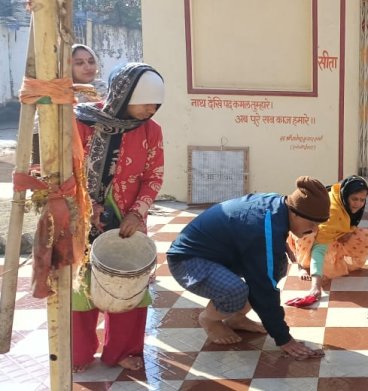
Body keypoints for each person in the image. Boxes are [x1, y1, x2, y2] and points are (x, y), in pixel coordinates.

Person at [166, 177, 331, 360]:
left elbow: (258, 233)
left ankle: (235, 318)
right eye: (311, 224)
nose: (314, 230)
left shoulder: (280, 205)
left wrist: (277, 244)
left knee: (277, 266)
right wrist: (284, 338)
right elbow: (264, 288)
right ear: (295, 213)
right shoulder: (263, 227)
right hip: (187, 261)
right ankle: (209, 319)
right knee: (236, 290)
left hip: (219, 255)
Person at [71, 62, 165, 372]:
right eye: (146, 101)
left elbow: (154, 176)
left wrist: (137, 213)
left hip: (128, 219)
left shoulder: (151, 130)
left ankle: (121, 350)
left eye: (156, 103)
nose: (151, 109)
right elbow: (68, 170)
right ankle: (79, 352)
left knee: (128, 283)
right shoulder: (83, 121)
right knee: (79, 285)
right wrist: (89, 208)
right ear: (123, 94)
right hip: (81, 218)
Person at [288, 175, 368, 300]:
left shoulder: (346, 203)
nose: (358, 204)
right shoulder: (333, 211)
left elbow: (350, 223)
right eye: (354, 199)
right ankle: (303, 263)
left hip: (332, 235)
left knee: (366, 236)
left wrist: (350, 230)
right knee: (309, 236)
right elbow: (319, 248)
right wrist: (316, 286)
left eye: (362, 200)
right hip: (312, 238)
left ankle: (334, 263)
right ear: (346, 196)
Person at [32, 44, 107, 169]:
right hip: (60, 156)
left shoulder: (104, 91)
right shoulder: (56, 93)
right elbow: (39, 128)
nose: (88, 67)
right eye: (79, 63)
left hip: (95, 159)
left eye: (91, 61)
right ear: (67, 67)